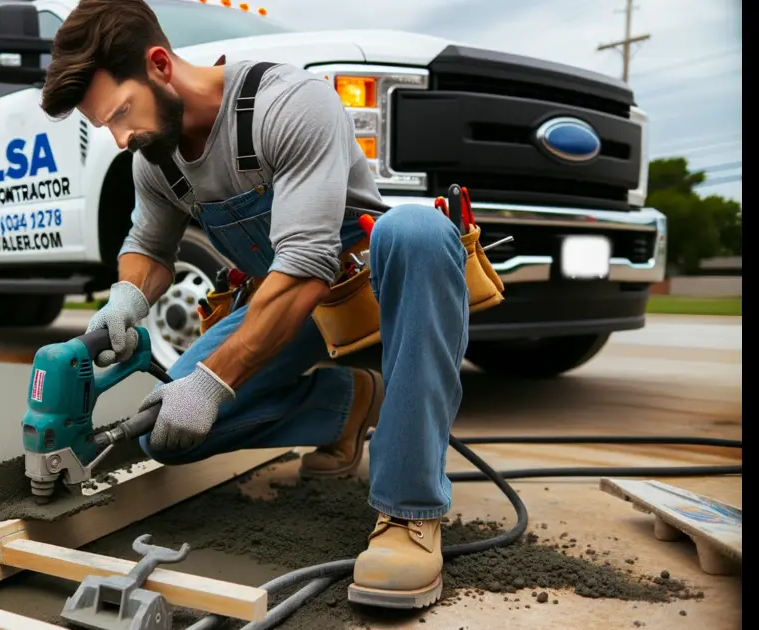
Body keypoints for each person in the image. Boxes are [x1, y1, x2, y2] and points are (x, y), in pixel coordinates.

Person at [39, 0, 469, 609]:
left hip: (367, 285)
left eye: (119, 114)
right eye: (104, 126)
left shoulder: (288, 104)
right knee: (162, 432)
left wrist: (213, 381)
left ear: (160, 64)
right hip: (283, 304)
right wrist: (127, 298)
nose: (120, 137)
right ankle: (349, 404)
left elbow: (307, 264)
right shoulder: (157, 160)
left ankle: (408, 512)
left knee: (417, 232)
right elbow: (149, 245)